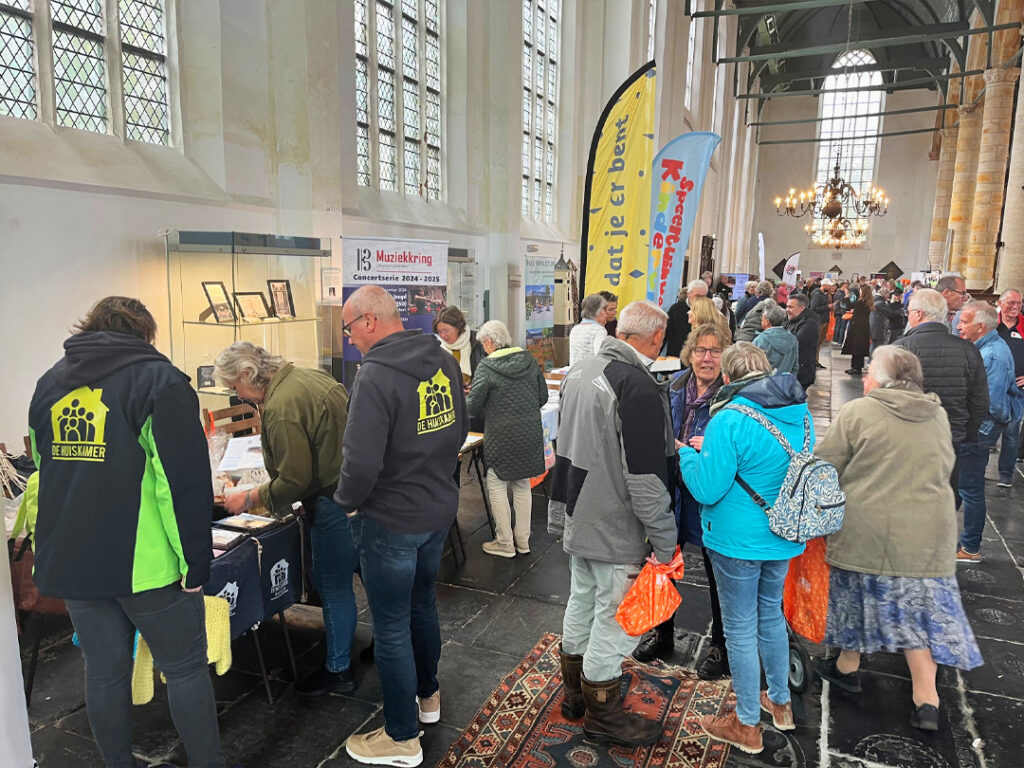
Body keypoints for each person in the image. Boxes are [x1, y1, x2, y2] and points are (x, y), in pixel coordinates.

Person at [28, 297, 226, 768]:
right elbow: (180, 484)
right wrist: (196, 560)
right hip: (148, 565)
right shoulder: (160, 382)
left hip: (75, 560)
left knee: (104, 671)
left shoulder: (49, 383)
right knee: (183, 670)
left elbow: (43, 467)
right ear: (145, 334)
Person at [815, 345, 982, 731]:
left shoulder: (859, 411)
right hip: (928, 534)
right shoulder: (936, 413)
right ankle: (927, 700)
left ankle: (846, 667)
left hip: (868, 529)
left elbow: (825, 464)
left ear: (882, 379)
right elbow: (945, 464)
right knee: (917, 613)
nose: (866, 377)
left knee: (855, 595)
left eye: (869, 371)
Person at [336, 286, 468, 766]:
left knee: (389, 626)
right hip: (437, 510)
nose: (351, 341)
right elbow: (458, 429)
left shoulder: (374, 377)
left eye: (350, 329)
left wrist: (347, 504)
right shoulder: (443, 358)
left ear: (369, 321)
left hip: (391, 519)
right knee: (421, 606)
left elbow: (360, 460)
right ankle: (428, 699)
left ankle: (401, 737)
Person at [548, 300, 677, 748]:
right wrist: (665, 540)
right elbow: (643, 479)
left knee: (581, 601)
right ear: (657, 338)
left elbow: (563, 448)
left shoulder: (580, 371)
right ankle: (603, 713)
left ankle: (574, 696)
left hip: (578, 512)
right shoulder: (635, 384)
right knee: (615, 618)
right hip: (614, 524)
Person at [678, 343, 809, 755]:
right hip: (784, 533)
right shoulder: (798, 411)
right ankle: (781, 703)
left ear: (729, 378)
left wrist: (687, 456)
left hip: (736, 538)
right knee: (770, 614)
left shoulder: (729, 417)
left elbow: (707, 488)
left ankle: (747, 723)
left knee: (738, 627)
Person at [214, 341, 356, 696]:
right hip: (357, 494)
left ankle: (339, 669)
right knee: (363, 577)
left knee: (333, 587)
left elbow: (295, 479)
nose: (239, 395)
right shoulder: (316, 379)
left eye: (235, 386)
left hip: (328, 503)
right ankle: (376, 650)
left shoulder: (280, 406)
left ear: (248, 373)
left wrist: (250, 497)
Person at [633, 322, 730, 679]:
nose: (707, 358)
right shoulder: (671, 386)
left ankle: (720, 645)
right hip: (670, 493)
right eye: (701, 350)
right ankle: (661, 632)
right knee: (662, 562)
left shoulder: (731, 396)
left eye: (715, 351)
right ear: (689, 354)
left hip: (711, 499)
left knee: (718, 574)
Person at [894, 289, 988, 503]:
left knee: (907, 499)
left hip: (910, 439)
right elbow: (980, 400)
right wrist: (965, 433)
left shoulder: (901, 348)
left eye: (908, 311)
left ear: (918, 314)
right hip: (951, 438)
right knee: (945, 499)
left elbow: (886, 399)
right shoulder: (968, 349)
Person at [465, 320, 548, 558]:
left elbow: (473, 406)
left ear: (490, 342)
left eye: (483, 344)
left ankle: (504, 542)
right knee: (522, 485)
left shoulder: (486, 367)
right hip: (529, 433)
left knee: (497, 484)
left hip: (501, 436)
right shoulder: (529, 360)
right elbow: (542, 397)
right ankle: (523, 541)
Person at [955, 300, 1023, 563]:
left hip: (979, 430)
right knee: (963, 485)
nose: (959, 326)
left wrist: (975, 426)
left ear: (980, 326)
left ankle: (971, 547)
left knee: (971, 489)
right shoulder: (985, 347)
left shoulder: (992, 354)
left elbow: (991, 402)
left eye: (964, 322)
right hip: (977, 427)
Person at [995, 289, 1024, 481]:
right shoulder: (990, 324)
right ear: (1000, 302)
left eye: (1019, 303)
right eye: (1011, 302)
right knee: (985, 428)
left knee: (1012, 431)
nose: (1015, 307)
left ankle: (1006, 473)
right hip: (992, 385)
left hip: (1017, 389)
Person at [434, 305, 484, 387]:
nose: (442, 335)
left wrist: (475, 388)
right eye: (439, 331)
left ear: (458, 327)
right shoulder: (436, 347)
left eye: (446, 330)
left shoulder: (478, 341)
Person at [665, 278, 710, 356]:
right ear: (688, 294)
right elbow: (666, 333)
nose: (699, 299)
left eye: (703, 296)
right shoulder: (676, 309)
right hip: (677, 356)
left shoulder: (709, 312)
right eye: (697, 296)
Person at [785, 292, 820, 390]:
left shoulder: (810, 323)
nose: (788, 310)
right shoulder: (792, 320)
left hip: (802, 372)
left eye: (791, 307)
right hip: (794, 369)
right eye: (787, 306)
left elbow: (795, 342)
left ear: (802, 308)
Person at [754, 304, 799, 377]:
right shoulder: (793, 339)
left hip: (764, 384)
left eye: (762, 318)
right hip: (785, 383)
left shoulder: (760, 340)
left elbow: (753, 367)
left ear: (767, 321)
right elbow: (795, 366)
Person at [569, 293, 609, 367]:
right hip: (591, 375)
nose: (606, 314)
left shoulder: (575, 329)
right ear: (598, 311)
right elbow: (601, 357)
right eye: (604, 309)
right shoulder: (599, 331)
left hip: (574, 374)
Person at [841, 286, 872, 375]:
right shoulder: (868, 302)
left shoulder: (861, 302)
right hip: (864, 327)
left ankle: (856, 367)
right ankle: (857, 367)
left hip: (858, 327)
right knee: (859, 348)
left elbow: (849, 305)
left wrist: (847, 296)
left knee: (856, 348)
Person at [809, 278, 834, 367]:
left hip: (824, 321)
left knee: (819, 342)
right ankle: (813, 361)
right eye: (829, 286)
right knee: (816, 342)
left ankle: (816, 361)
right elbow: (813, 308)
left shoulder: (824, 294)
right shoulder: (817, 295)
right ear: (824, 285)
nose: (830, 287)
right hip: (819, 321)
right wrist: (827, 307)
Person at [832, 282, 851, 346]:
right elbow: (842, 303)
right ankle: (839, 340)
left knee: (839, 326)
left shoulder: (838, 293)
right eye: (845, 287)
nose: (846, 288)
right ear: (842, 286)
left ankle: (836, 340)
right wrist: (846, 297)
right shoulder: (839, 294)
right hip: (840, 312)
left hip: (839, 311)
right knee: (841, 327)